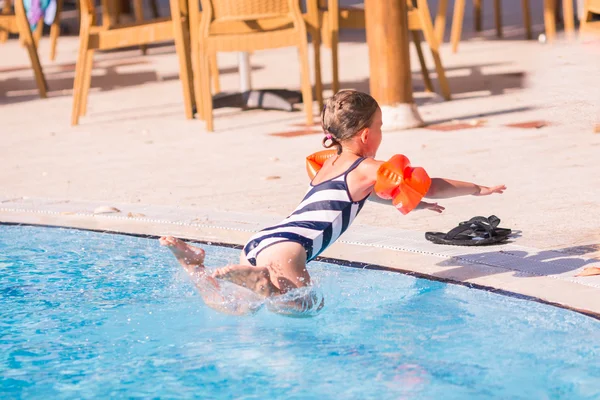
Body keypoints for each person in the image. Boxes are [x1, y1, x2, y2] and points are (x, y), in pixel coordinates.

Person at [160, 90, 506, 315]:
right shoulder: (367, 167)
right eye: (380, 126)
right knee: (306, 308)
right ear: (367, 135)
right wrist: (477, 189)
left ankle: (193, 264)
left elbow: (360, 197)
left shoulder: (329, 164)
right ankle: (262, 282)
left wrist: (413, 205)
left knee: (234, 308)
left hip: (262, 241)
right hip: (290, 248)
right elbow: (430, 185)